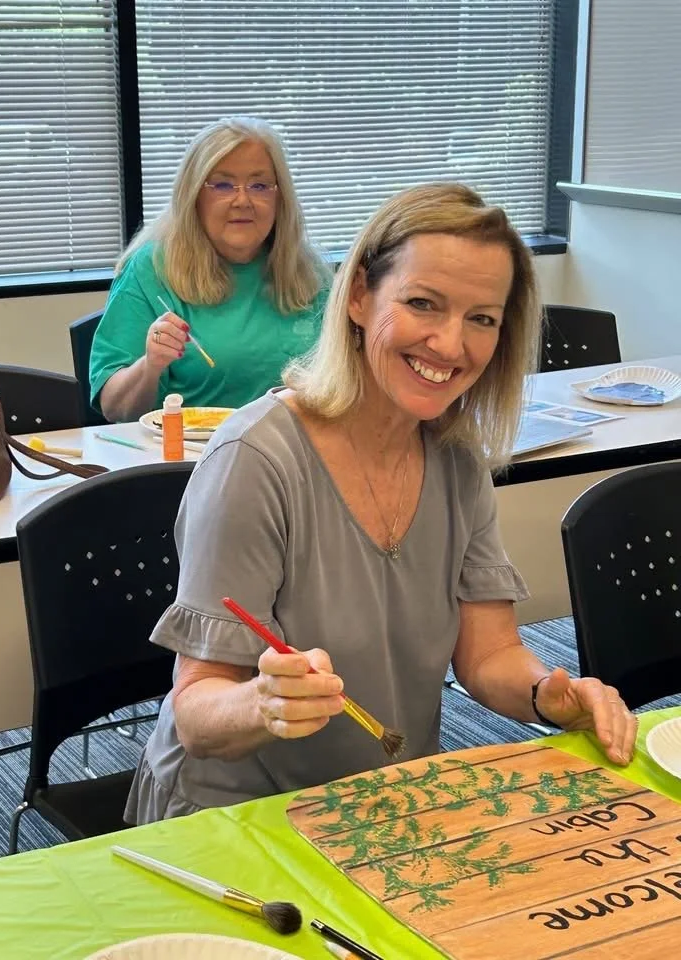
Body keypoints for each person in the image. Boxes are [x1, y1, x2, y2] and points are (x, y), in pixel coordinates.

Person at [125, 183, 638, 824]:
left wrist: (548, 694)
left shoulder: (456, 457)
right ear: (361, 296)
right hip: (236, 817)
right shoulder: (254, 460)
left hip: (383, 804)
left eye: (481, 319)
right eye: (423, 303)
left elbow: (487, 655)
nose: (451, 346)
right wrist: (265, 704)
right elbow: (197, 712)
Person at [89, 117, 330, 422]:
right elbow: (115, 409)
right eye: (223, 185)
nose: (243, 200)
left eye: (259, 185)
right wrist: (151, 365)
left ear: (280, 197)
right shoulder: (152, 270)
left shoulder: (309, 272)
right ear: (193, 196)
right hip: (190, 459)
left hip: (296, 455)